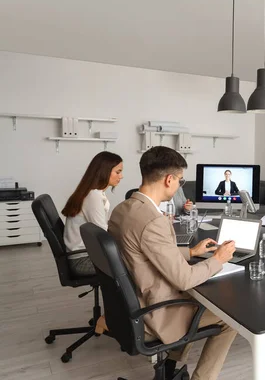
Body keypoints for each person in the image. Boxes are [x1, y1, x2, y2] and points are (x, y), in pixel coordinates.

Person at [108, 146, 237, 380]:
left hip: (127, 304)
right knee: (230, 319)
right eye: (180, 179)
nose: (179, 184)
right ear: (169, 179)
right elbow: (184, 279)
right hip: (154, 311)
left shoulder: (122, 209)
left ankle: (170, 368)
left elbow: (143, 253)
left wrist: (190, 251)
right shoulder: (153, 221)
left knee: (198, 301)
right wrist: (218, 259)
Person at [62, 151, 123, 334]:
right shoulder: (94, 196)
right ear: (104, 171)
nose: (121, 176)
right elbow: (103, 236)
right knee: (133, 267)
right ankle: (109, 319)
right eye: (118, 171)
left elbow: (102, 228)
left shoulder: (93, 193)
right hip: (82, 260)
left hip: (81, 254)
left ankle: (113, 317)